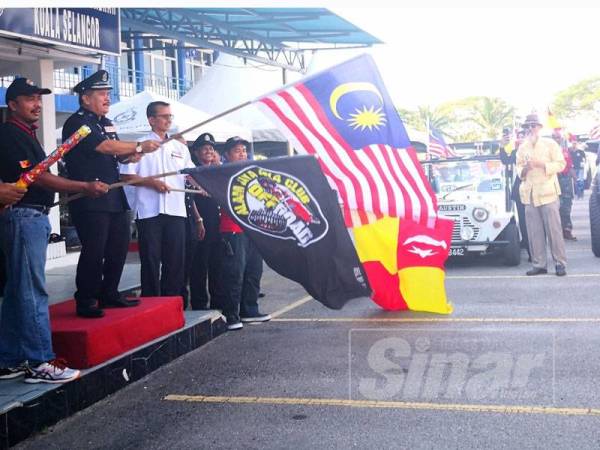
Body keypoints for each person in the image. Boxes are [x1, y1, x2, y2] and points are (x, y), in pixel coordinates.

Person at [0, 78, 108, 383]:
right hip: (23, 216)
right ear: (12, 105)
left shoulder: (24, 133)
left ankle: (8, 358)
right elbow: (39, 178)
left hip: (29, 215)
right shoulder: (10, 134)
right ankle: (41, 361)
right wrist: (84, 186)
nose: (37, 104)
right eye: (29, 99)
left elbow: (40, 174)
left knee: (16, 290)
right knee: (32, 289)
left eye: (39, 98)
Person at [63, 70, 161, 318]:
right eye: (101, 94)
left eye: (108, 94)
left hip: (113, 195)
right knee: (94, 250)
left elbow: (115, 152)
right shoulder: (77, 122)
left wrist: (131, 154)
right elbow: (102, 146)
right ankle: (86, 299)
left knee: (118, 247)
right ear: (85, 98)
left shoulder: (106, 122)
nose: (107, 99)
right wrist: (138, 145)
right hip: (90, 196)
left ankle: (110, 292)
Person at [120, 101, 196, 300]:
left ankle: (172, 301)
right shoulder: (140, 146)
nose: (168, 120)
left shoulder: (180, 147)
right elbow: (126, 177)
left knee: (175, 260)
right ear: (151, 120)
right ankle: (151, 301)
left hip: (176, 210)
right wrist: (151, 183)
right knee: (151, 259)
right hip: (149, 211)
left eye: (170, 116)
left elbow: (191, 174)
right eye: (163, 116)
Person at [218, 136, 270, 330]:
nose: (241, 153)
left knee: (254, 271)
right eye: (236, 150)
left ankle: (249, 310)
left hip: (253, 228)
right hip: (232, 229)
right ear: (227, 155)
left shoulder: (253, 173)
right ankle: (231, 314)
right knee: (234, 273)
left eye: (243, 150)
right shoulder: (220, 173)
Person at [516, 114, 567, 276]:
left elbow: (561, 164)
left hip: (548, 192)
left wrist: (542, 165)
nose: (530, 128)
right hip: (530, 193)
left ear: (539, 127)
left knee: (554, 230)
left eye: (533, 125)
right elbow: (518, 168)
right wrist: (524, 169)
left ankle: (560, 263)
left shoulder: (550, 144)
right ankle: (539, 264)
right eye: (528, 126)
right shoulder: (522, 147)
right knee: (534, 231)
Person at [188, 133, 222, 310]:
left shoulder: (216, 171)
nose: (209, 151)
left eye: (211, 148)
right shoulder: (193, 172)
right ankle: (200, 303)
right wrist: (198, 220)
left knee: (217, 265)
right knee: (199, 266)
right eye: (204, 148)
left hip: (217, 224)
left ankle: (217, 303)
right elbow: (190, 199)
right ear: (196, 152)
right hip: (201, 222)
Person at [500, 129, 530, 259]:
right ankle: (530, 250)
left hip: (535, 190)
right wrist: (501, 146)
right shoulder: (515, 152)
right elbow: (506, 161)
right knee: (523, 222)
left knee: (535, 223)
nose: (520, 139)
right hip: (520, 191)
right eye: (519, 137)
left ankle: (537, 249)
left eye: (523, 136)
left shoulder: (533, 150)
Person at [557, 138, 576, 241]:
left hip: (566, 182)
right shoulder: (548, 152)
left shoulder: (566, 152)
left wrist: (576, 180)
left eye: (559, 138)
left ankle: (567, 230)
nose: (558, 140)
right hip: (554, 182)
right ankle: (558, 231)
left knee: (567, 207)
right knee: (556, 208)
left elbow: (570, 167)